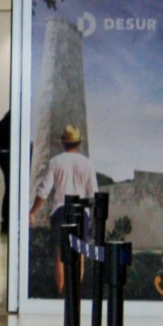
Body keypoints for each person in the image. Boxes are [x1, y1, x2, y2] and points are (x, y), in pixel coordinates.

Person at [30, 125, 97, 294]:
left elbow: (44, 191)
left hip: (61, 210)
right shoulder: (88, 164)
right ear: (79, 143)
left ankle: (61, 292)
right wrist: (95, 219)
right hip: (82, 211)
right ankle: (75, 293)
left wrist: (33, 211)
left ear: (63, 143)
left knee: (60, 254)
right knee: (80, 254)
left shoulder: (55, 162)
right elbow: (94, 194)